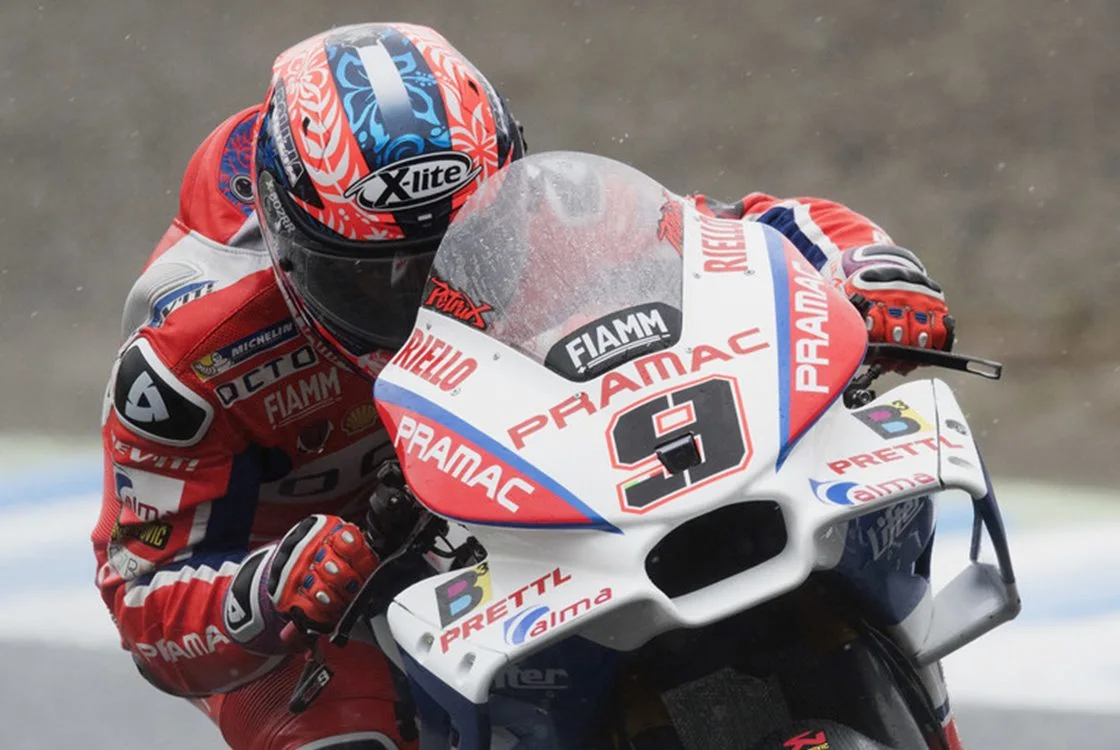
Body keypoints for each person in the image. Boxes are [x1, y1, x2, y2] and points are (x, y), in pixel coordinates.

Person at [93, 21, 957, 750]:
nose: (424, 296)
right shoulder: (188, 356)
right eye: (374, 280)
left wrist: (866, 268)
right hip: (334, 583)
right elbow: (141, 591)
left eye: (462, 250)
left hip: (532, 493)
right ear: (292, 250)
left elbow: (743, 235)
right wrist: (268, 590)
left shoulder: (549, 212)